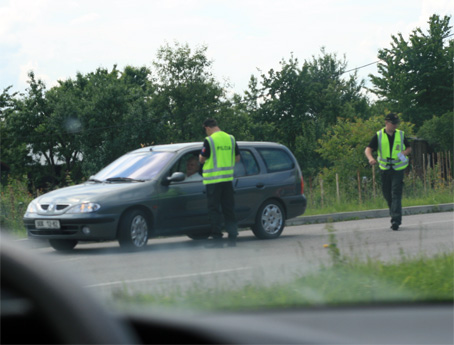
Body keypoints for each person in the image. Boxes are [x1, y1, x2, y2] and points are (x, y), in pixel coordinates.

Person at [365, 113, 412, 231]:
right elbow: (368, 149)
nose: (395, 125)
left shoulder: (400, 134)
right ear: (387, 122)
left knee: (396, 192)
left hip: (398, 168)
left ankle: (395, 220)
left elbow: (409, 147)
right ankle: (394, 213)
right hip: (385, 169)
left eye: (397, 123)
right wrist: (371, 158)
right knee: (387, 194)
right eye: (393, 123)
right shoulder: (379, 135)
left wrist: (404, 153)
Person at [199, 118, 241, 247]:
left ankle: (217, 239)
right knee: (229, 209)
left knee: (214, 210)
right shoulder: (231, 138)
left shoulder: (210, 140)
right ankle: (232, 237)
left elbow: (202, 159)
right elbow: (237, 158)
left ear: (207, 128)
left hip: (213, 181)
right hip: (227, 180)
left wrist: (201, 158)